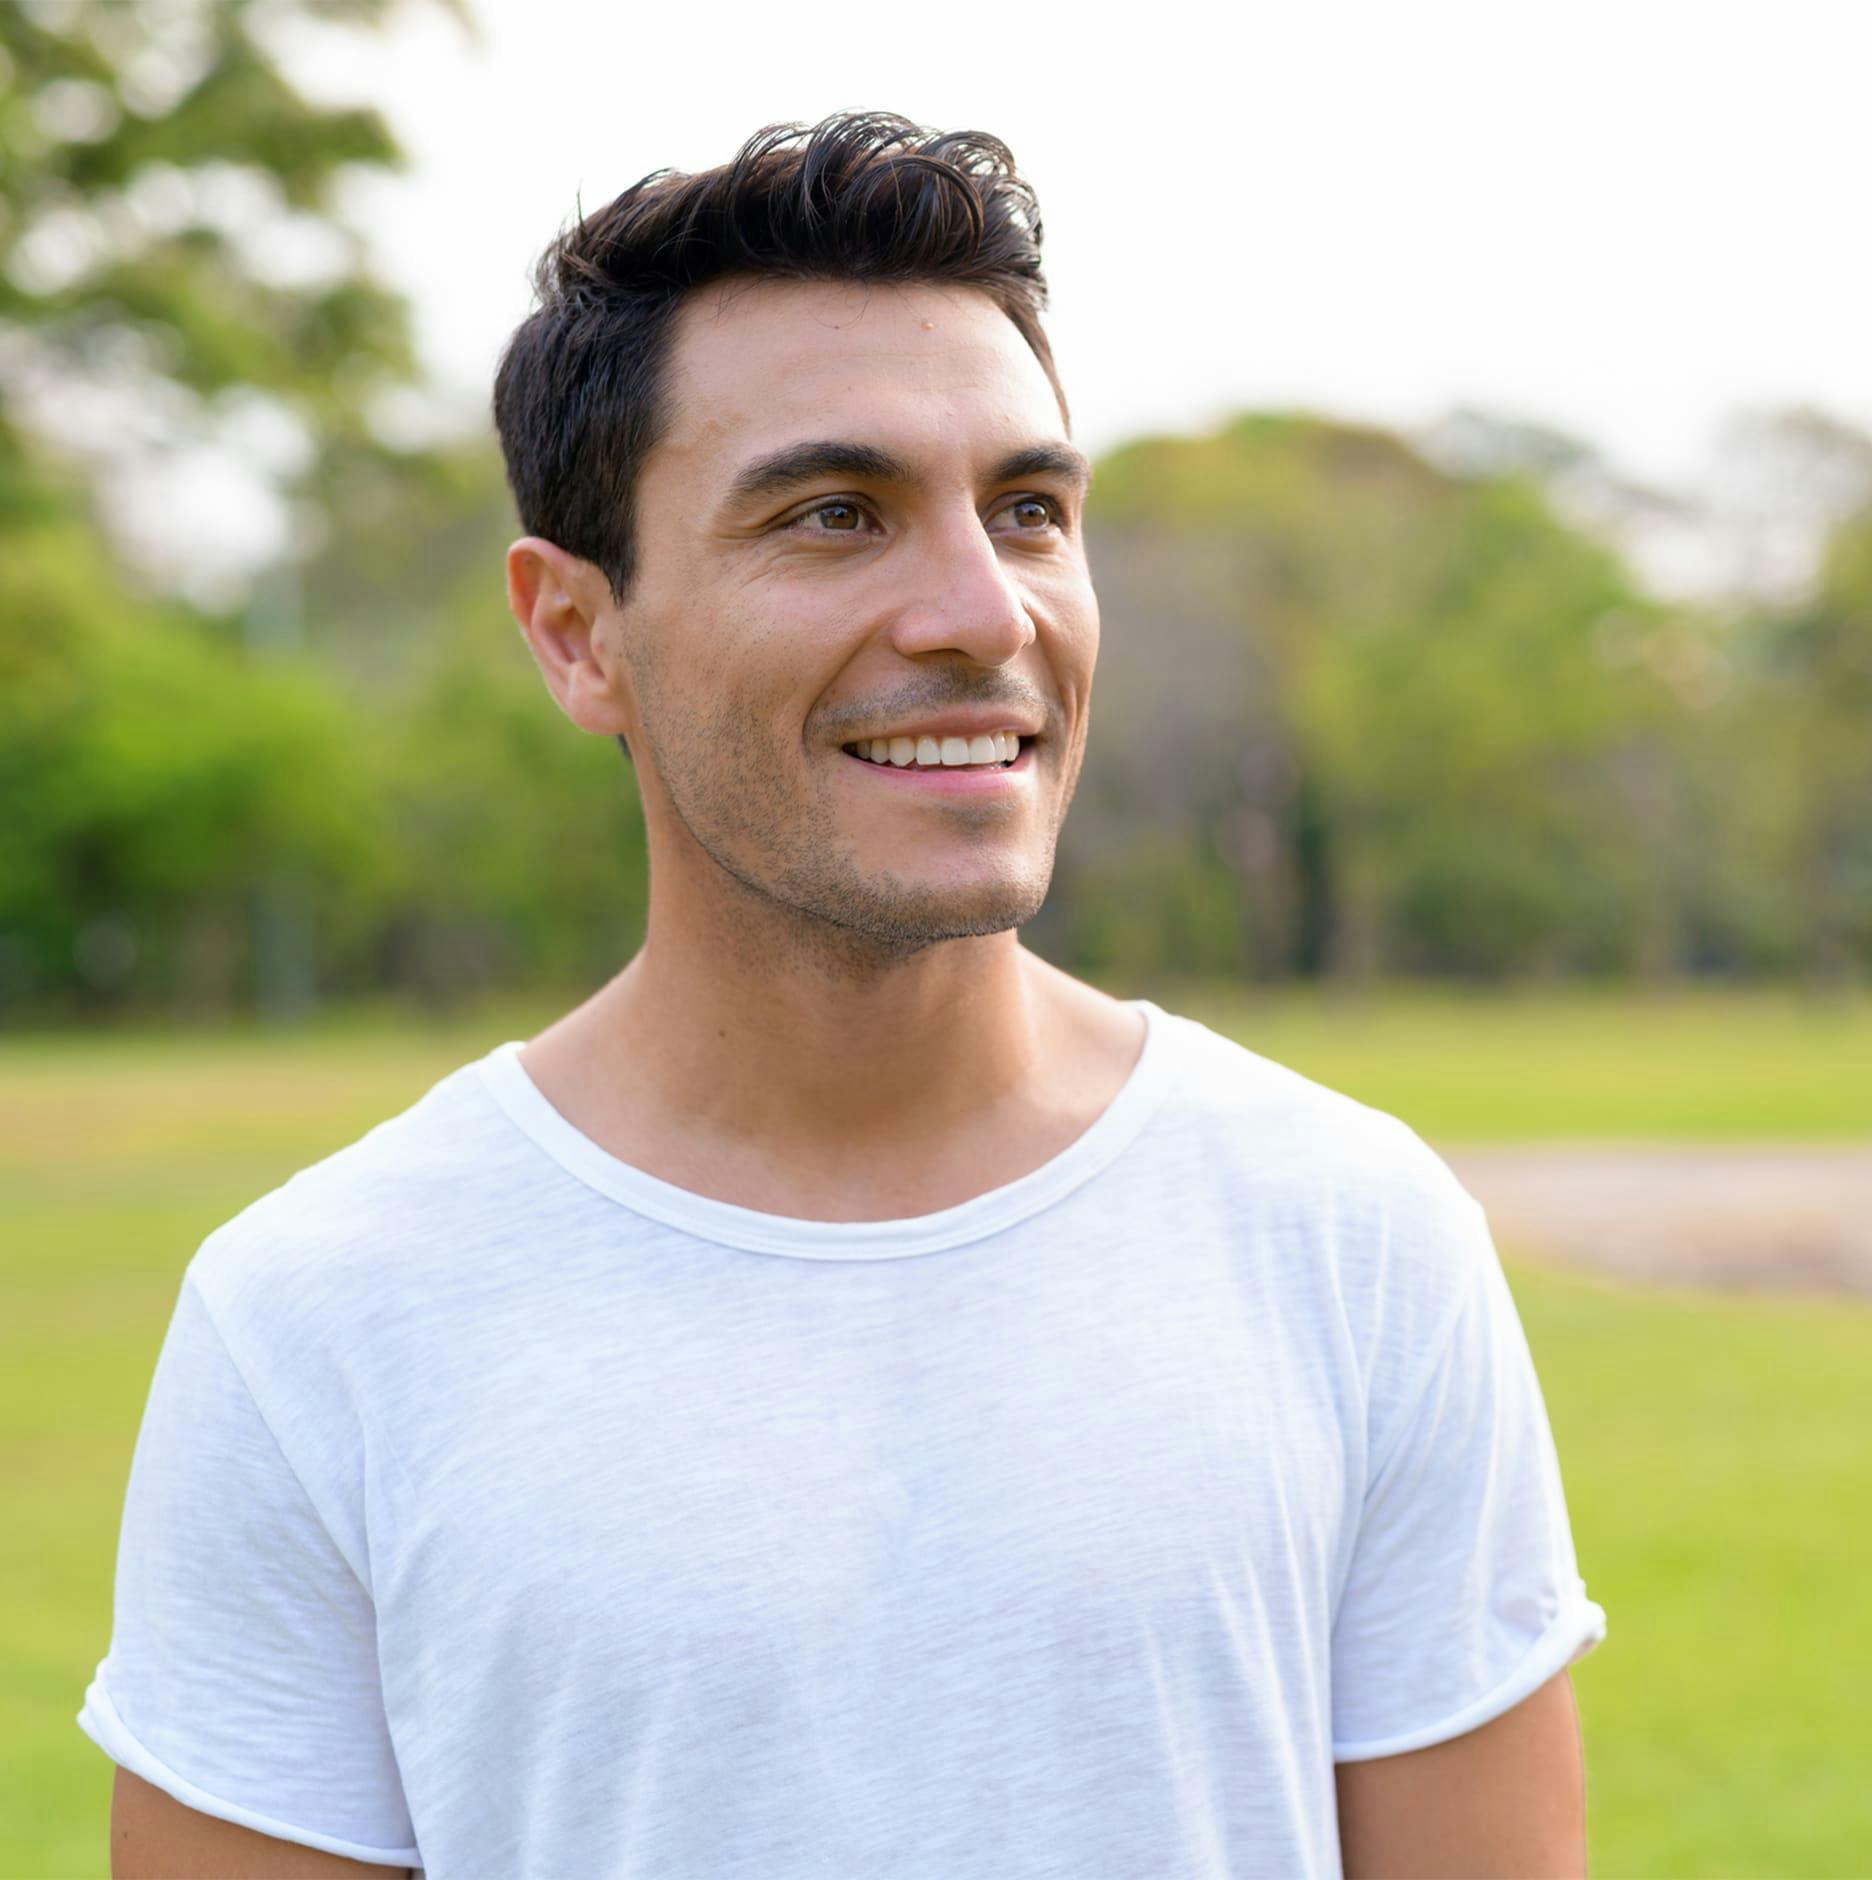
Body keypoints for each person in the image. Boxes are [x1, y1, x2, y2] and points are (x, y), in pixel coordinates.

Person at [81, 111, 1607, 1878]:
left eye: (1029, 510)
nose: (981, 610)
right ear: (577, 634)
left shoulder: (1351, 1237)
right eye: (833, 514)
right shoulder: (321, 1324)